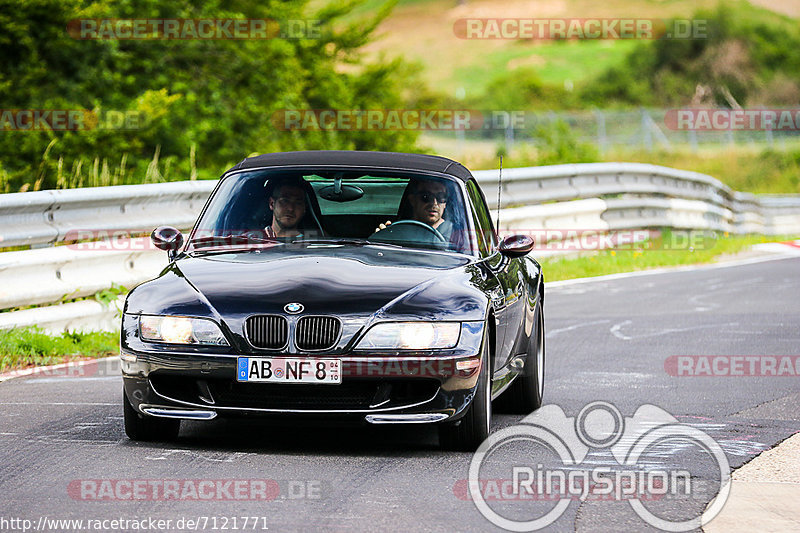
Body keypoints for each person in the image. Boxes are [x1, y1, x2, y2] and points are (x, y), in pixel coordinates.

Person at [376, 177, 453, 240]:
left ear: (445, 203)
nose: (434, 203)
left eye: (441, 197)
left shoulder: (456, 234)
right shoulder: (397, 231)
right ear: (412, 200)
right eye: (426, 197)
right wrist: (381, 237)